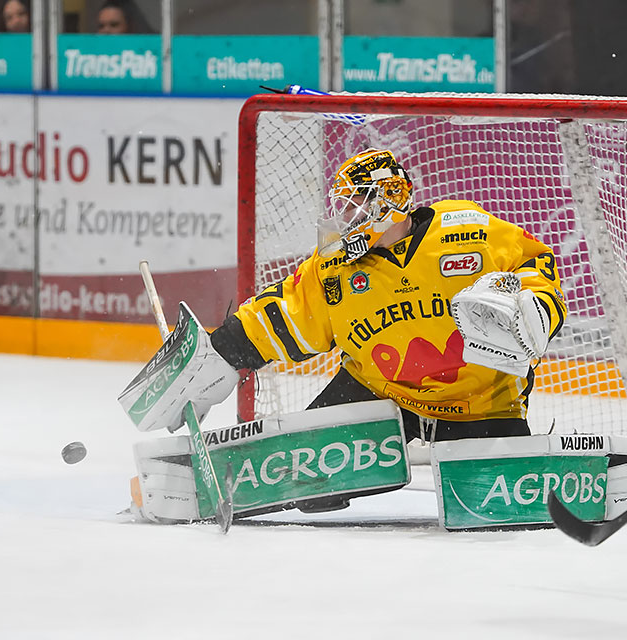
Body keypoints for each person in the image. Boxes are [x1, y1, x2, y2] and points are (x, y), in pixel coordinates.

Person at [127, 148, 566, 513]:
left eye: (357, 204)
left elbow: (535, 262)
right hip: (378, 391)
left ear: (389, 201)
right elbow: (285, 314)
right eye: (345, 206)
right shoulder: (335, 267)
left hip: (480, 402)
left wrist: (534, 307)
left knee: (497, 508)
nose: (347, 217)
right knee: (308, 488)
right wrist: (216, 355)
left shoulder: (470, 233)